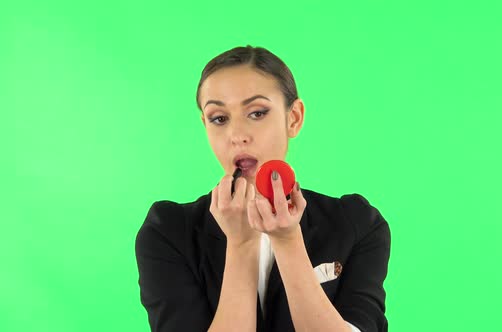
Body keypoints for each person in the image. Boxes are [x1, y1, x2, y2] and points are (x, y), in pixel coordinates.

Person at [135, 45, 391, 332]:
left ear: (293, 118)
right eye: (219, 118)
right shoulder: (168, 231)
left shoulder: (357, 224)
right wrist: (241, 244)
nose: (237, 136)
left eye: (257, 113)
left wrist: (288, 241)